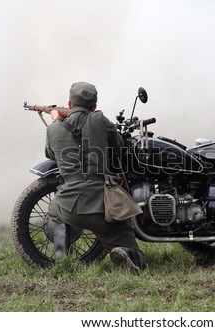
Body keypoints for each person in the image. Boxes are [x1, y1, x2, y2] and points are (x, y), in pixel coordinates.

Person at [45, 82, 146, 273]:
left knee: (54, 214)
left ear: (69, 103)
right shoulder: (99, 119)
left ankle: (62, 256)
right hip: (103, 207)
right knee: (127, 242)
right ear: (94, 106)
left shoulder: (54, 129)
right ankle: (123, 252)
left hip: (68, 206)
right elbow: (118, 145)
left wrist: (56, 122)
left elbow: (51, 154)